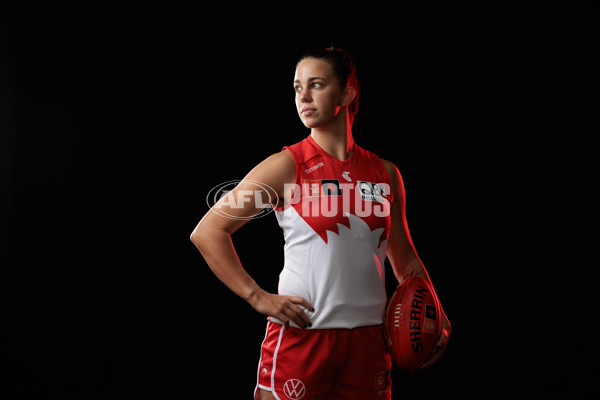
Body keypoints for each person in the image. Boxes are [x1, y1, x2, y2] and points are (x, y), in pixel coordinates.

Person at [190, 47, 451, 400]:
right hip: (303, 336)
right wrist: (257, 297)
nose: (304, 97)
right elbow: (208, 231)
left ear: (348, 92)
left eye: (316, 84)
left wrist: (437, 314)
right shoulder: (286, 166)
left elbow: (405, 261)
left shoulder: (385, 173)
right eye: (298, 87)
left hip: (369, 342)